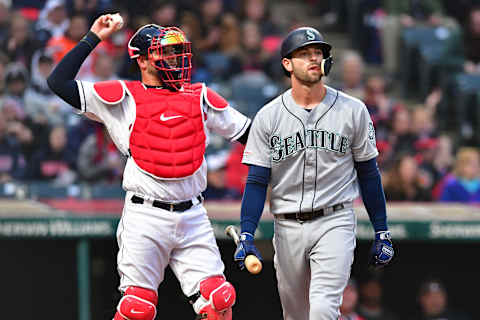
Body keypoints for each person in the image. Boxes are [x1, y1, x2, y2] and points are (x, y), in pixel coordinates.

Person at [47, 14, 252, 320]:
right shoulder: (123, 95)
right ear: (143, 61)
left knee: (220, 300)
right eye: (164, 52)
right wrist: (94, 37)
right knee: (138, 308)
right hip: (146, 216)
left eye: (174, 51)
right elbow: (58, 82)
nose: (173, 58)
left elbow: (252, 135)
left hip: (193, 214)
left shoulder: (200, 96)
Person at [232, 26, 394, 320]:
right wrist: (246, 232)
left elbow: (369, 174)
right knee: (296, 315)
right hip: (287, 225)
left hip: (335, 219)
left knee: (322, 309)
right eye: (304, 54)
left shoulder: (353, 110)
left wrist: (381, 229)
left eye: (318, 53)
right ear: (287, 64)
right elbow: (257, 181)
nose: (313, 59)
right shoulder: (269, 116)